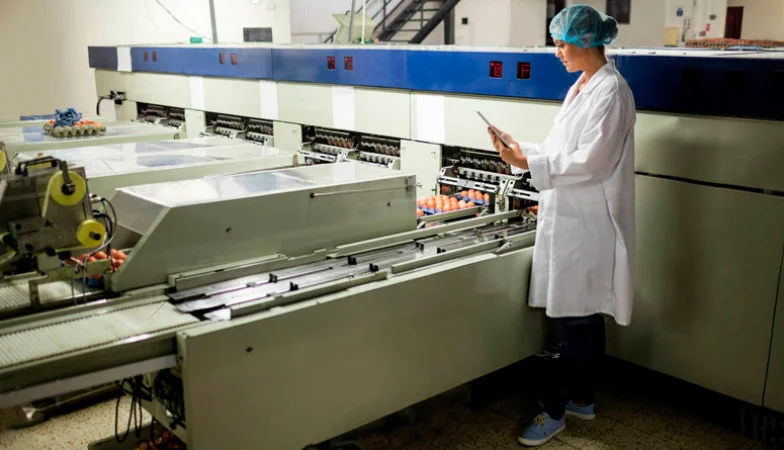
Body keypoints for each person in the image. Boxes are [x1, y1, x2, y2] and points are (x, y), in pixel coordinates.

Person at [486, 4, 636, 447]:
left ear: (585, 42)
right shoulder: (583, 85)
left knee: (577, 323)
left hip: (589, 222)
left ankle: (553, 412)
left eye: (560, 45)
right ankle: (583, 400)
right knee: (583, 317)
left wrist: (528, 163)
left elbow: (591, 162)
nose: (557, 53)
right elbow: (560, 149)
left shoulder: (612, 92)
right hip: (572, 217)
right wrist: (521, 149)